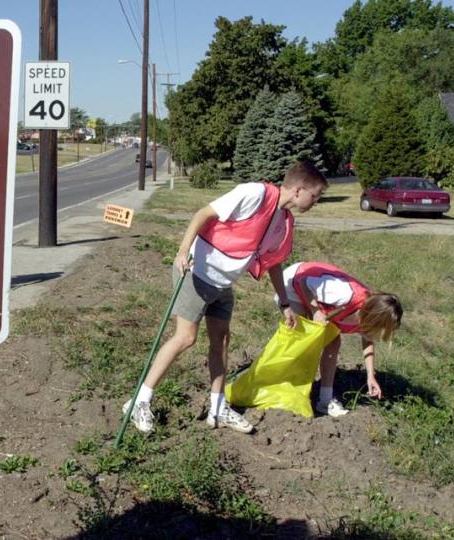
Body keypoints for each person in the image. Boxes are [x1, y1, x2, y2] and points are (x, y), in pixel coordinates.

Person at [123, 160, 328, 434]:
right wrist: (183, 251)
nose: (316, 201)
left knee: (221, 341)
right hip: (197, 271)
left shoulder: (283, 221)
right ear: (299, 190)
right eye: (315, 195)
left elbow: (272, 262)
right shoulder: (255, 194)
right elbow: (203, 213)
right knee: (186, 337)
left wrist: (284, 303)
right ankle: (139, 401)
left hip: (223, 284)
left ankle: (217, 408)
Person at [281, 261, 403, 417]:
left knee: (333, 341)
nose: (379, 333)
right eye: (381, 328)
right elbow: (304, 282)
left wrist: (370, 376)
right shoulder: (344, 295)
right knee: (302, 338)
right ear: (374, 319)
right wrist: (315, 311)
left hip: (314, 294)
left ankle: (324, 401)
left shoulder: (367, 318)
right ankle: (287, 385)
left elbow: (367, 340)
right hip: (293, 283)